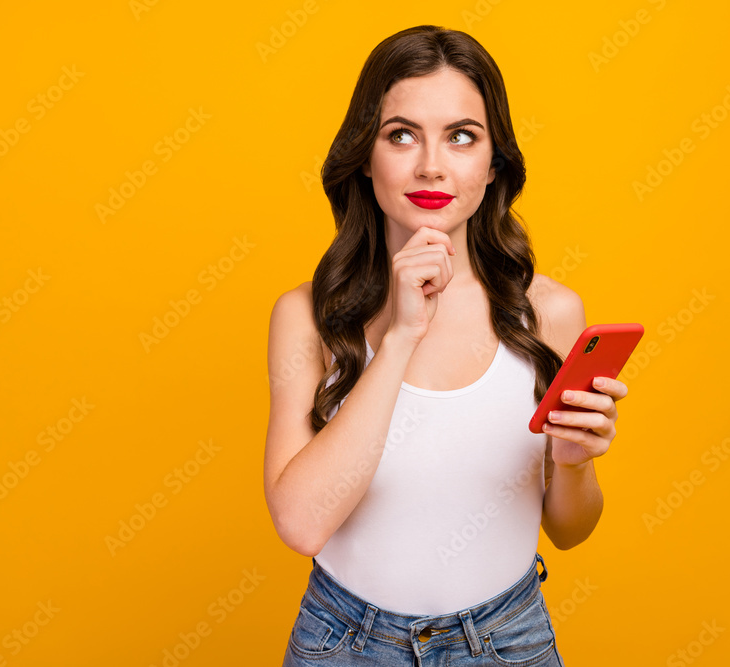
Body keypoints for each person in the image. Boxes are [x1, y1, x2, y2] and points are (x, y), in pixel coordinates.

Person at [264, 24, 631, 666]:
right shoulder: (306, 315)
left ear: (493, 166)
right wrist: (403, 333)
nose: (431, 164)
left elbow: (570, 530)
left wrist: (574, 463)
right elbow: (301, 524)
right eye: (401, 134)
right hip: (345, 645)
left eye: (462, 136)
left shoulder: (549, 312)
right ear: (364, 156)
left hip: (507, 641)